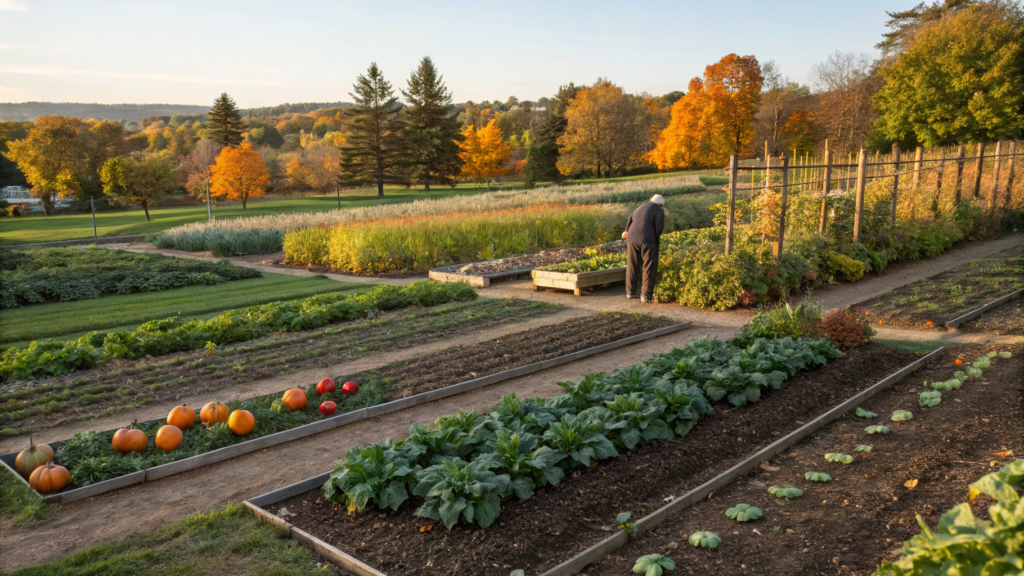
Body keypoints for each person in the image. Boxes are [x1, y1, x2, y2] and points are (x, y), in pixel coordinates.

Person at [621, 194, 665, 303]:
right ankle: (645, 296)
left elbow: (629, 221)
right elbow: (659, 229)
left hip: (631, 238)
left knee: (632, 264)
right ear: (660, 204)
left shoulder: (639, 207)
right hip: (647, 240)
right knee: (648, 266)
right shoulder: (659, 210)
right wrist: (653, 239)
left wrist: (627, 231)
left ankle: (630, 293)